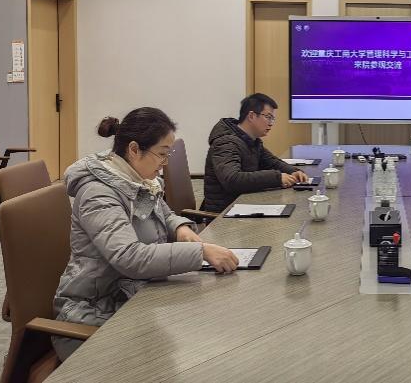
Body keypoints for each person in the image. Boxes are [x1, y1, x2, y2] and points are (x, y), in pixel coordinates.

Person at [53, 108, 239, 360]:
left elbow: (164, 213)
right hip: (91, 314)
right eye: (161, 154)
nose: (165, 163)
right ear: (133, 149)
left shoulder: (136, 179)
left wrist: (179, 228)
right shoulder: (98, 194)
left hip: (131, 294)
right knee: (191, 348)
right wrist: (201, 251)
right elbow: (129, 257)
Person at [203, 93, 308, 212]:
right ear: (251, 116)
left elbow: (272, 162)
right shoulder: (226, 143)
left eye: (272, 119)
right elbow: (232, 180)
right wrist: (277, 178)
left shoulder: (251, 140)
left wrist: (293, 171)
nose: (271, 123)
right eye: (268, 117)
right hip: (225, 213)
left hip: (244, 204)